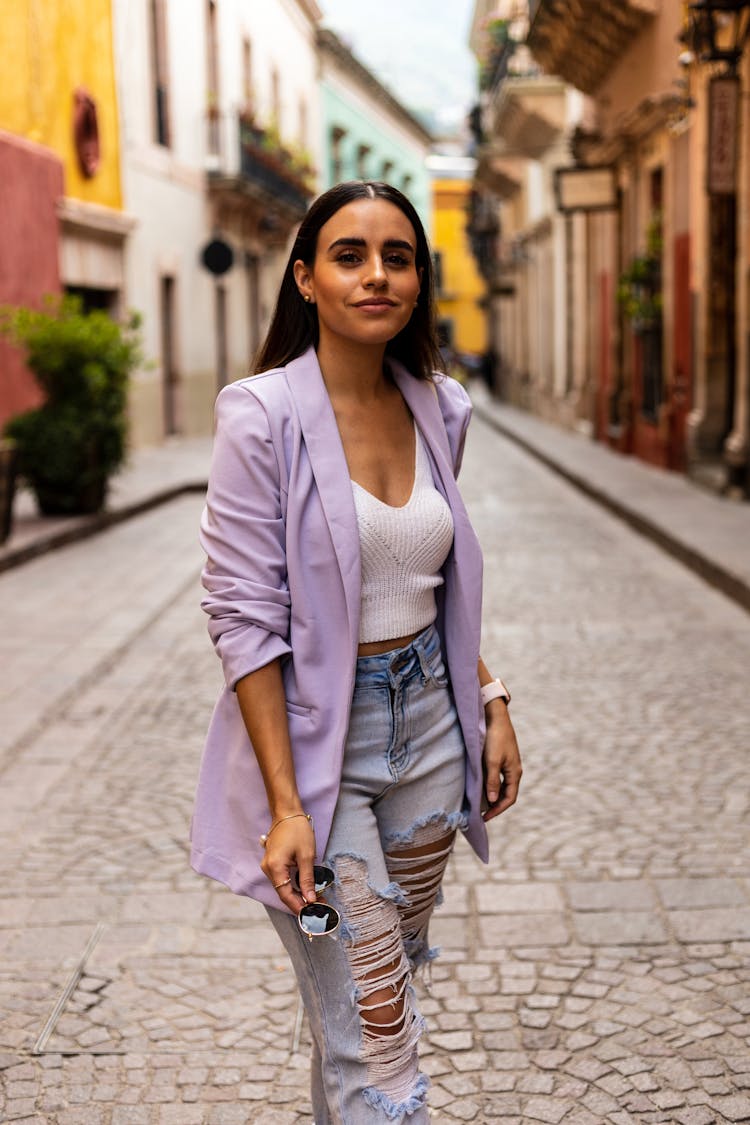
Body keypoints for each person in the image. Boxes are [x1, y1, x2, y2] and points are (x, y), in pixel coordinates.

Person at [190, 180, 522, 1124]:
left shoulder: (441, 408)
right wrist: (287, 804)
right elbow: (243, 615)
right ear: (305, 278)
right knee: (375, 1020)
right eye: (349, 254)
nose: (376, 273)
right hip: (314, 761)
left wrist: (491, 694)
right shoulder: (260, 416)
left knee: (381, 984)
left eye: (398, 256)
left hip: (430, 740)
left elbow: (423, 583)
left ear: (418, 281)